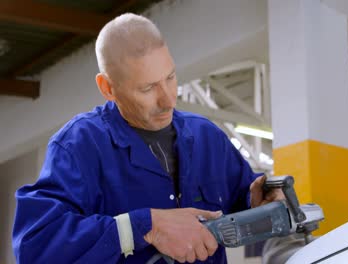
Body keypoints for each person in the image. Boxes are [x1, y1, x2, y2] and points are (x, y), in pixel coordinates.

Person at [12, 13, 282, 264]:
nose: (167, 100)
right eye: (148, 88)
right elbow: (35, 244)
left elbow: (241, 199)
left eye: (170, 77)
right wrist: (144, 226)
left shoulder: (207, 137)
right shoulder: (79, 146)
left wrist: (257, 202)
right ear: (108, 88)